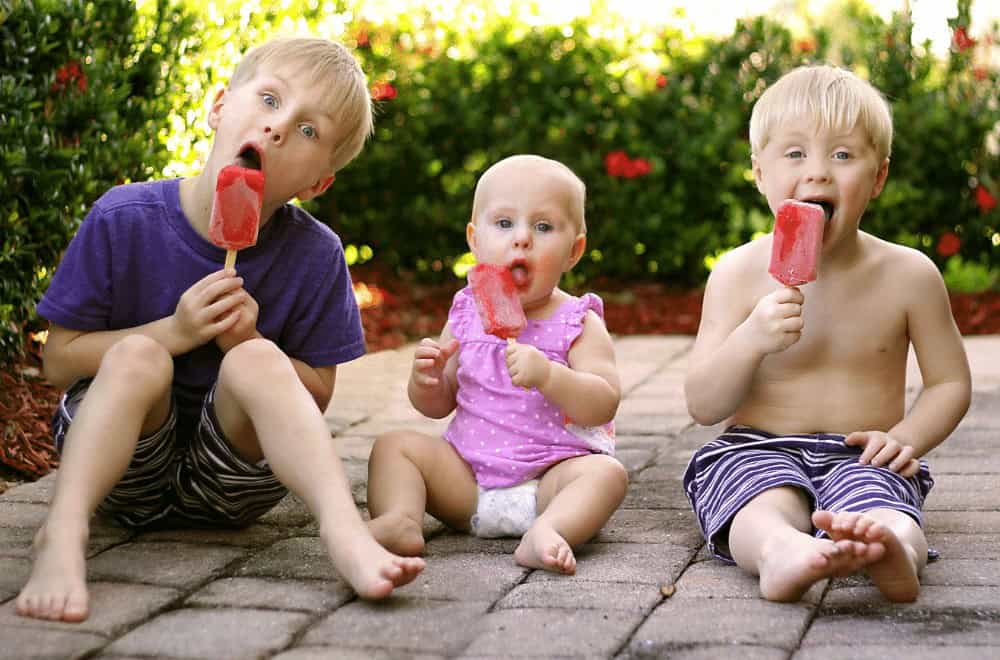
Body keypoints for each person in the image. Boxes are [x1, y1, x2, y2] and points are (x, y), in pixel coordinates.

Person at [16, 37, 425, 623]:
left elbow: (316, 395)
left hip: (231, 486)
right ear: (218, 107)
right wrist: (174, 331)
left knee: (257, 362)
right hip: (120, 470)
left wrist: (247, 343)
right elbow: (57, 361)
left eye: (310, 131)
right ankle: (62, 533)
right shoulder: (121, 217)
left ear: (318, 184)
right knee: (139, 356)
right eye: (268, 99)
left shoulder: (316, 255)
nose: (279, 127)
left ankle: (346, 534)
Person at [683, 64, 972, 603]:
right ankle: (780, 551)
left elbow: (950, 383)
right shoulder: (736, 274)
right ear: (759, 173)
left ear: (878, 176)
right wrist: (749, 340)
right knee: (756, 501)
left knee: (884, 503)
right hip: (756, 446)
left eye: (842, 155)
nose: (817, 173)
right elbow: (703, 403)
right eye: (794, 154)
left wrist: (906, 439)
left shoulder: (909, 275)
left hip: (862, 451)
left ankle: (896, 551)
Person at [366, 154, 627, 575]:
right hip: (466, 483)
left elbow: (604, 402)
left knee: (607, 475)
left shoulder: (578, 321)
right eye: (504, 224)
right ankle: (401, 519)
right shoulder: (467, 312)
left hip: (550, 482)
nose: (521, 238)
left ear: (574, 250)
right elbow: (439, 403)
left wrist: (549, 375)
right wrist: (427, 381)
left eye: (543, 227)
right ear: (474, 239)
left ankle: (549, 531)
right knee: (392, 448)